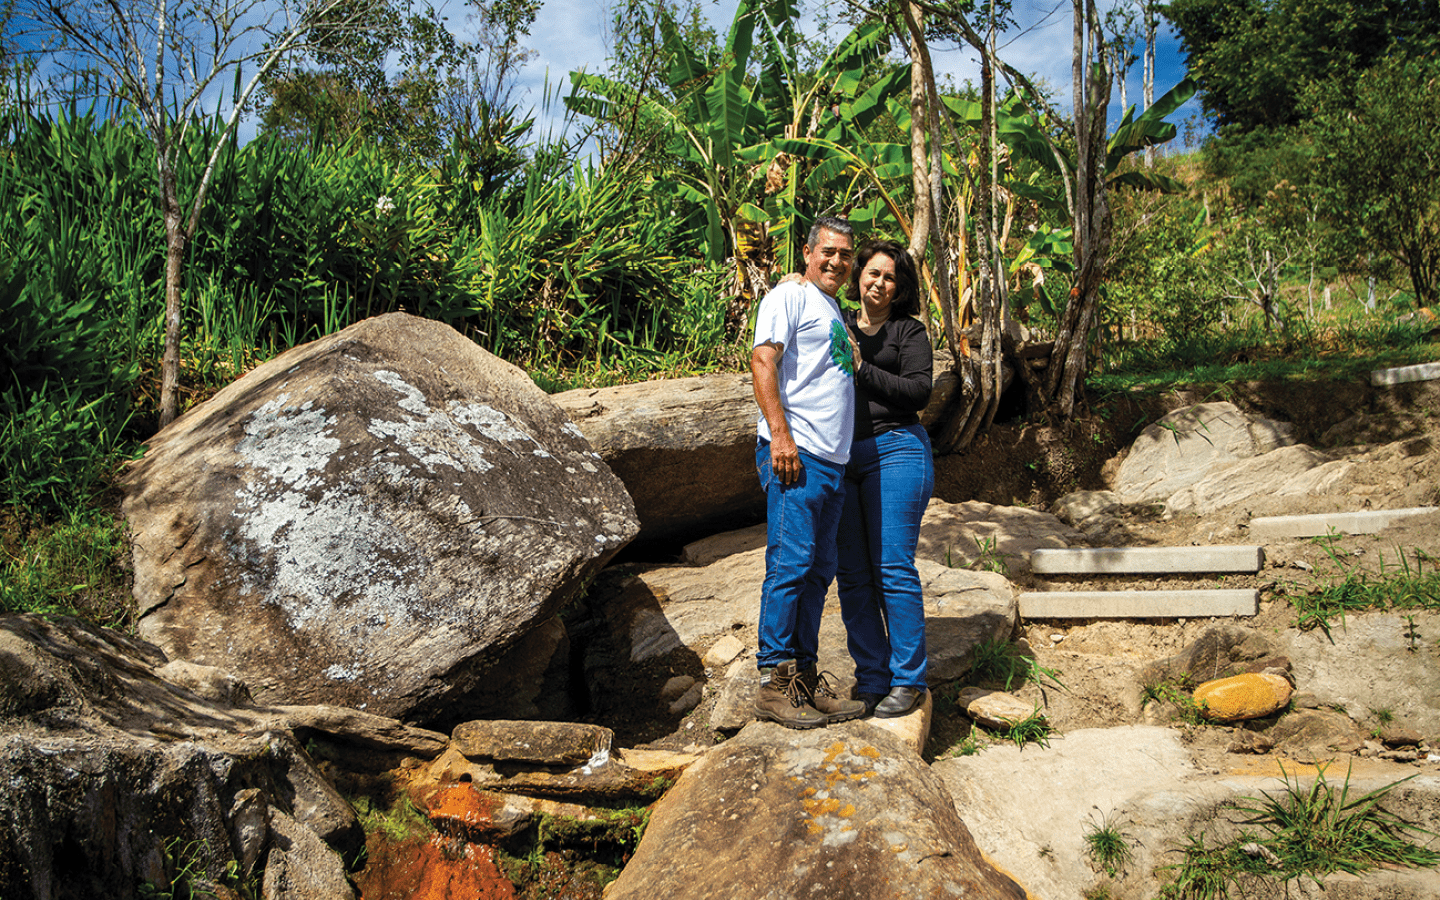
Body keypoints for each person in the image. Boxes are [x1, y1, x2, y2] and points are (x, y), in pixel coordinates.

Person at [750, 215, 868, 729]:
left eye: (845, 255)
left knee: (818, 574)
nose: (837, 262)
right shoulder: (788, 297)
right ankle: (773, 682)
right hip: (796, 454)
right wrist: (780, 434)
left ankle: (803, 678)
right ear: (807, 252)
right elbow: (761, 361)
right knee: (791, 564)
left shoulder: (832, 306)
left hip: (832, 464)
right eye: (829, 252)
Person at [835, 240, 934, 718]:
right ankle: (871, 678)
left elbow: (919, 392)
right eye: (871, 272)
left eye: (889, 277)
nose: (878, 282)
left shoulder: (907, 331)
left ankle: (909, 679)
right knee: (852, 575)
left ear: (900, 287)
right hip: (840, 456)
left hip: (896, 450)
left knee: (892, 568)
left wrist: (862, 368)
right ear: (858, 276)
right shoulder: (838, 322)